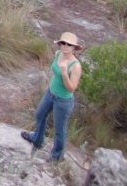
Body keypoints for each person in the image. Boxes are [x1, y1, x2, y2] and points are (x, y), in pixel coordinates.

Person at [22, 33, 84, 161]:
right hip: (51, 93)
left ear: (74, 48)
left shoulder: (75, 66)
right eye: (63, 43)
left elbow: (72, 88)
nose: (65, 46)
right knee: (40, 115)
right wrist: (49, 85)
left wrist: (64, 72)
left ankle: (57, 156)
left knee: (59, 129)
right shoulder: (57, 55)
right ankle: (37, 139)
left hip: (63, 100)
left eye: (69, 44)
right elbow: (55, 73)